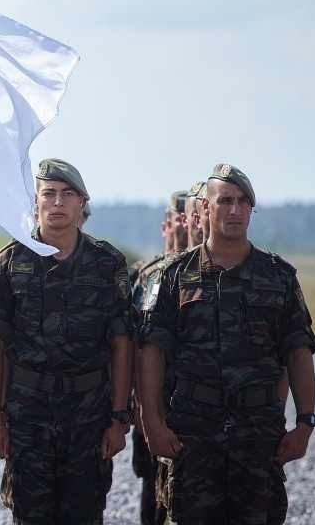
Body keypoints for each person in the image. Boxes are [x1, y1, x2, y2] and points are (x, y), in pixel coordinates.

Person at [138, 163, 315, 524]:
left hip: (258, 433)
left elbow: (298, 352)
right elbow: (152, 351)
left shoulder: (278, 276)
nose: (235, 210)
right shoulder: (176, 274)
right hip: (194, 432)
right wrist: (152, 423)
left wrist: (304, 424)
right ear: (205, 208)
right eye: (225, 201)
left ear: (251, 209)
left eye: (243, 202)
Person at [0, 158, 132, 525]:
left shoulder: (107, 263)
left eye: (68, 195)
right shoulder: (10, 263)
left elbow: (123, 343)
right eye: (49, 194)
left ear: (82, 203)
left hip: (89, 414)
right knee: (29, 516)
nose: (58, 202)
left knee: (85, 514)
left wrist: (118, 416)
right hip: (27, 413)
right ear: (36, 203)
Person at [128, 188, 190, 525]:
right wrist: (136, 405)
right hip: (153, 402)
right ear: (167, 224)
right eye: (176, 218)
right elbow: (132, 343)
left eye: (189, 217)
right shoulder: (146, 273)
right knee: (153, 490)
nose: (183, 225)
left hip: (192, 407)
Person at [180, 181, 206, 249]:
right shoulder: (180, 260)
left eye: (206, 213)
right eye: (196, 213)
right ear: (184, 220)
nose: (201, 220)